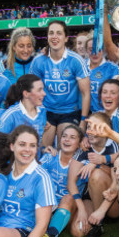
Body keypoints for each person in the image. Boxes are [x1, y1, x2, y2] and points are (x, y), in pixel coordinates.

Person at [29, 20, 90, 148]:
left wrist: (83, 122)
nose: (54, 36)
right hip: (47, 111)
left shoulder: (75, 60)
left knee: (64, 150)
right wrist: (38, 114)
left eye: (59, 33)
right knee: (43, 151)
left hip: (69, 112)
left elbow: (85, 94)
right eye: (51, 33)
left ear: (66, 38)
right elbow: (32, 92)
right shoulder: (39, 61)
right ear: (47, 37)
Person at [38, 124, 87, 237]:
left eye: (72, 137)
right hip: (47, 205)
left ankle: (50, 236)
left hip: (69, 207)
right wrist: (44, 149)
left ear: (79, 143)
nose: (67, 140)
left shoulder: (84, 163)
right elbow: (34, 176)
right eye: (64, 136)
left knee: (68, 198)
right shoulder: (50, 156)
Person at [0, 74, 47, 143]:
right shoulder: (12, 114)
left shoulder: (43, 111)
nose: (44, 93)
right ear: (26, 94)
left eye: (43, 89)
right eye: (39, 90)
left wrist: (45, 148)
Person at [86, 37, 119, 113]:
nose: (95, 53)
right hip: (82, 113)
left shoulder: (111, 68)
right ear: (86, 51)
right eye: (91, 49)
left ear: (103, 50)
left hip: (104, 113)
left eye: (98, 49)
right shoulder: (80, 66)